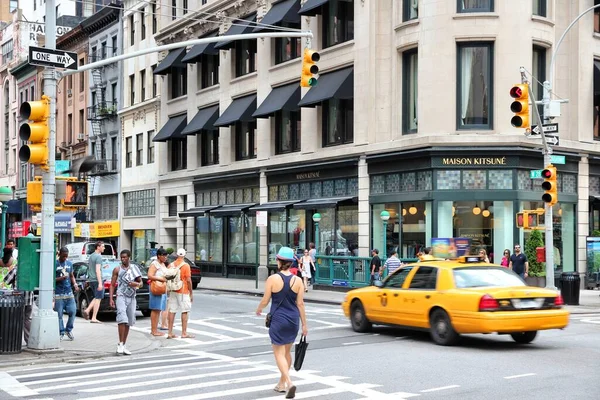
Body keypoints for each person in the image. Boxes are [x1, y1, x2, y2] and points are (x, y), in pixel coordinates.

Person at [256, 247, 308, 399]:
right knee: (286, 353)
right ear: (291, 263)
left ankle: (290, 383)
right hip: (293, 320)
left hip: (278, 319)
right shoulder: (298, 281)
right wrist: (304, 325)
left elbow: (266, 300)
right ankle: (281, 384)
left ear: (279, 261)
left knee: (278, 353)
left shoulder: (272, 279)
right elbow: (300, 304)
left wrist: (259, 309)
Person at [109, 249, 142, 355]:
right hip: (121, 295)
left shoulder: (134, 269)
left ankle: (124, 344)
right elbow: (112, 284)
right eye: (121, 257)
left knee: (128, 321)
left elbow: (141, 283)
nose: (123, 259)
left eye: (125, 257)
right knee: (122, 319)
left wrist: (136, 284)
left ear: (129, 258)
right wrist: (111, 298)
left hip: (131, 297)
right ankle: (120, 343)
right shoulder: (117, 269)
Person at [167, 249, 195, 339]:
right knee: (185, 311)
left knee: (172, 310)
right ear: (184, 255)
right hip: (183, 290)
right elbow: (188, 280)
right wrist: (191, 292)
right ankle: (184, 333)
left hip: (173, 290)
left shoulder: (171, 265)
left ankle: (170, 332)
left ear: (176, 255)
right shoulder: (186, 266)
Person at [55, 247, 79, 341]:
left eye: (66, 256)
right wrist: (60, 279)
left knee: (73, 311)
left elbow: (72, 275)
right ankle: (61, 332)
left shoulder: (69, 264)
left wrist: (75, 284)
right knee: (59, 315)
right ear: (59, 254)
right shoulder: (55, 264)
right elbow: (51, 279)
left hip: (69, 292)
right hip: (58, 293)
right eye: (63, 256)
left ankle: (68, 330)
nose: (65, 258)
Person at [148, 248, 168, 336]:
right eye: (164, 255)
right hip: (156, 287)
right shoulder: (154, 264)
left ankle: (155, 329)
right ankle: (153, 330)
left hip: (162, 288)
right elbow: (150, 275)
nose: (165, 257)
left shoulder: (163, 264)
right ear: (159, 256)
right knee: (155, 309)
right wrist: (160, 279)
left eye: (166, 255)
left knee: (159, 309)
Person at [83, 241, 105, 323]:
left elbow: (91, 268)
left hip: (91, 280)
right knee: (98, 298)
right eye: (103, 246)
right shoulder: (98, 257)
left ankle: (87, 310)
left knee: (96, 297)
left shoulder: (91, 256)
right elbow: (97, 270)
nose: (104, 248)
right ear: (98, 247)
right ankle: (94, 317)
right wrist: (100, 283)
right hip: (97, 280)